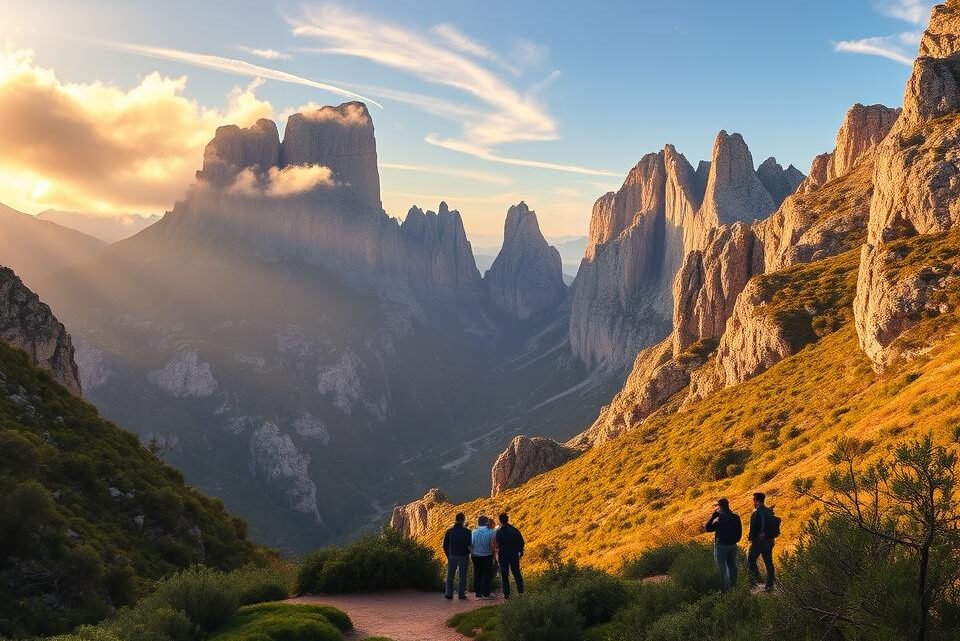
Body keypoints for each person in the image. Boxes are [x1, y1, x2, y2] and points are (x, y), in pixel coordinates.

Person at [705, 498, 742, 590]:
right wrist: (735, 541)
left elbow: (708, 528)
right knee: (732, 566)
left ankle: (724, 589)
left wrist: (713, 517)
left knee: (721, 568)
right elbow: (739, 532)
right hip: (733, 545)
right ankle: (734, 587)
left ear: (720, 506)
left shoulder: (720, 518)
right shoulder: (736, 517)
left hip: (721, 545)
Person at [747, 492, 776, 592]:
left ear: (756, 500)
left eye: (753, 499)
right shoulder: (769, 511)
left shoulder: (758, 512)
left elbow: (757, 526)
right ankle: (769, 584)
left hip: (758, 541)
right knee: (768, 562)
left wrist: (755, 536)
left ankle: (754, 582)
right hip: (769, 540)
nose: (753, 501)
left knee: (751, 560)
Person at [494, 513, 525, 599]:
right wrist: (521, 551)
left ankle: (506, 594)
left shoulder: (499, 532)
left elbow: (497, 545)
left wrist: (497, 553)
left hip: (503, 556)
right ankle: (521, 592)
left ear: (500, 521)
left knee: (504, 575)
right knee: (517, 573)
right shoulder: (515, 530)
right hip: (514, 555)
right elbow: (521, 541)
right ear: (507, 519)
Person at [442, 512, 472, 600]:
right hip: (463, 556)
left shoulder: (449, 531)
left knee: (450, 575)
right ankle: (461, 594)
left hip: (452, 556)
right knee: (463, 576)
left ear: (456, 519)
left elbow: (444, 545)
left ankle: (448, 593)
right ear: (463, 520)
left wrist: (448, 555)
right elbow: (469, 546)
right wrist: (470, 554)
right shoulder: (467, 532)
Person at [471, 515, 496, 599]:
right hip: (487, 555)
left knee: (477, 573)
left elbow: (471, 545)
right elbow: (492, 545)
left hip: (475, 556)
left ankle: (478, 594)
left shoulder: (474, 532)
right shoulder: (491, 532)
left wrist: (472, 554)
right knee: (487, 574)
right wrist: (493, 556)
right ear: (486, 522)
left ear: (478, 522)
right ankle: (486, 594)